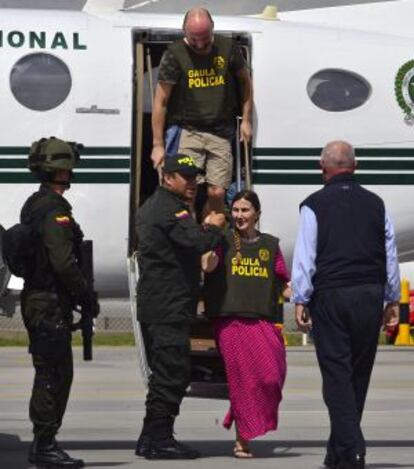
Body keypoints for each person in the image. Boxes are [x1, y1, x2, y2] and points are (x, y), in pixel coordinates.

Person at [291, 141, 400, 469]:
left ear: (322, 166)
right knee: (358, 374)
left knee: (336, 375)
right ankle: (338, 451)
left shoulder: (312, 205)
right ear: (355, 166)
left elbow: (305, 256)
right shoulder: (377, 204)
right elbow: (389, 255)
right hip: (369, 294)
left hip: (332, 295)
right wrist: (391, 298)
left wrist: (300, 297)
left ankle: (352, 448)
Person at [135, 153, 225, 460]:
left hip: (163, 305)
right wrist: (213, 226)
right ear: (167, 177)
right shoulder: (169, 210)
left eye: (195, 177)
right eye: (185, 177)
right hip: (166, 307)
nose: (192, 183)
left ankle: (152, 437)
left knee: (167, 373)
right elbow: (198, 243)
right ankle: (158, 439)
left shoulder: (162, 206)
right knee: (172, 373)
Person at [21, 137, 99, 468]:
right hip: (49, 302)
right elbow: (64, 261)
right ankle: (44, 444)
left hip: (41, 300)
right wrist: (85, 296)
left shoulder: (35, 204)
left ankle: (45, 441)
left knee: (51, 370)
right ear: (61, 171)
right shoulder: (54, 211)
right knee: (54, 374)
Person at [202, 190, 290, 458]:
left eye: (245, 210)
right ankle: (243, 439)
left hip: (261, 320)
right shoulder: (225, 240)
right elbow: (207, 265)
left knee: (272, 375)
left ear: (257, 214)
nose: (239, 215)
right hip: (231, 321)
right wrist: (211, 234)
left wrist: (310, 298)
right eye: (236, 210)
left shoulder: (270, 245)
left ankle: (240, 419)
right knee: (245, 381)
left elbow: (284, 284)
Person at [150, 7, 253, 214]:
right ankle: (188, 236)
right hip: (188, 131)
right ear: (184, 31)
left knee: (217, 192)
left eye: (205, 38)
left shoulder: (228, 49)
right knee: (185, 191)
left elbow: (245, 84)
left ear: (213, 28)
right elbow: (160, 100)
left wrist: (246, 119)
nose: (199, 44)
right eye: (193, 38)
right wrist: (158, 144)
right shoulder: (175, 54)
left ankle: (211, 231)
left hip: (220, 131)